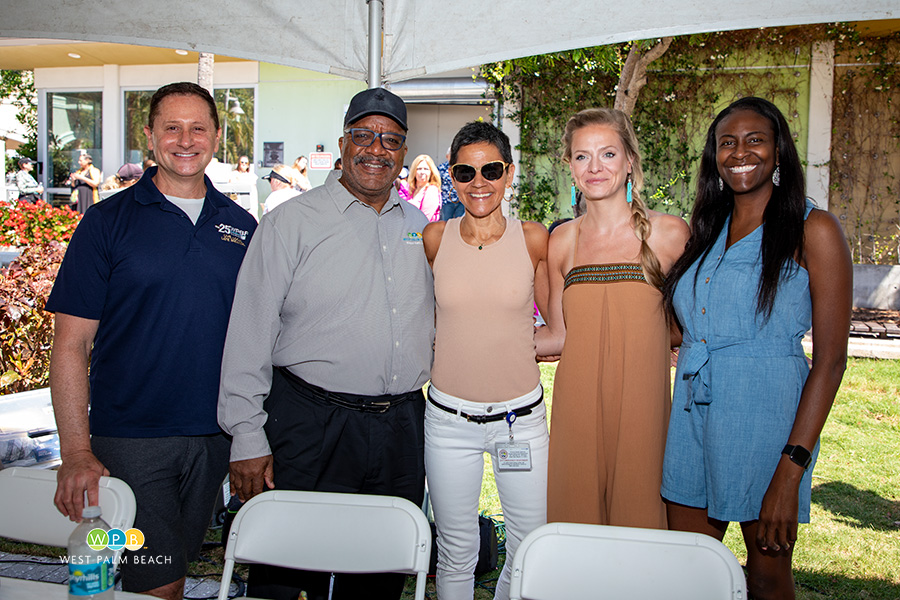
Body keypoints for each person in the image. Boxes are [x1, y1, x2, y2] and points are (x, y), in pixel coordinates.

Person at [218, 87, 434, 600]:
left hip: (401, 428)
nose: (375, 149)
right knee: (284, 573)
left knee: (380, 573)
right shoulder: (289, 223)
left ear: (403, 153)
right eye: (363, 135)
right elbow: (249, 333)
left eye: (390, 140)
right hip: (309, 424)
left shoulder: (422, 230)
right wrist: (247, 436)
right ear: (343, 143)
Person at [45, 81, 257, 600]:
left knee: (171, 571)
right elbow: (71, 345)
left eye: (198, 128)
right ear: (149, 137)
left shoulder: (243, 226)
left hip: (214, 439)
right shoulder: (106, 222)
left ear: (216, 136)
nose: (185, 140)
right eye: (171, 127)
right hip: (133, 439)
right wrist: (75, 450)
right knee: (158, 583)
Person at [660, 97, 851, 600]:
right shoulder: (706, 230)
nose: (740, 152)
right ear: (714, 157)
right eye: (727, 143)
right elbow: (685, 326)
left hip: (764, 423)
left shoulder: (814, 229)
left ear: (779, 152)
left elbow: (830, 361)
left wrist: (791, 468)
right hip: (691, 417)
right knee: (691, 572)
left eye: (755, 140)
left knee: (766, 575)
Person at [536, 107, 690, 529]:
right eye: (582, 156)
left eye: (608, 154)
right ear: (569, 166)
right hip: (576, 414)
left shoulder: (671, 234)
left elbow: (691, 327)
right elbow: (557, 335)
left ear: (630, 163)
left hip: (645, 413)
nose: (595, 167)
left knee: (641, 531)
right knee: (576, 530)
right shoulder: (561, 240)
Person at [423, 121, 549, 600]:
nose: (479, 182)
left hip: (520, 421)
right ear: (452, 177)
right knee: (455, 549)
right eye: (465, 171)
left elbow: (556, 327)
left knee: (528, 543)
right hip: (448, 420)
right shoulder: (434, 239)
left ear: (509, 173)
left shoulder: (534, 238)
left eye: (491, 170)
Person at [407, 153, 441, 221]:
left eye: (426, 169)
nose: (422, 172)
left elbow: (425, 219)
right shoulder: (412, 189)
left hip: (422, 230)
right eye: (419, 169)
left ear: (431, 172)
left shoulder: (431, 190)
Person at [438, 148, 464, 220]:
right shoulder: (441, 168)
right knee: (446, 223)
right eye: (451, 155)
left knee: (460, 222)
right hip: (447, 201)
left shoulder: (461, 168)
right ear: (447, 156)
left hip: (460, 201)